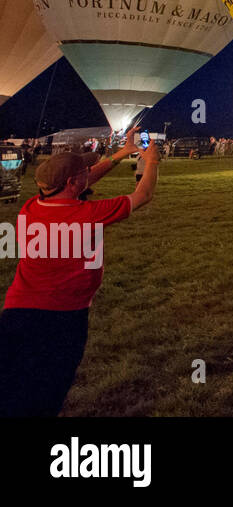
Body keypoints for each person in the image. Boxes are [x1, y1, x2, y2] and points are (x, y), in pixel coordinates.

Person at [0, 132, 159, 417]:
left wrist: (121, 154)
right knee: (47, 391)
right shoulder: (89, 213)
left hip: (17, 312)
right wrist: (152, 161)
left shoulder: (30, 209)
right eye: (84, 170)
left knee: (11, 382)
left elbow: (74, 184)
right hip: (62, 318)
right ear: (74, 182)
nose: (88, 172)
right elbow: (143, 194)